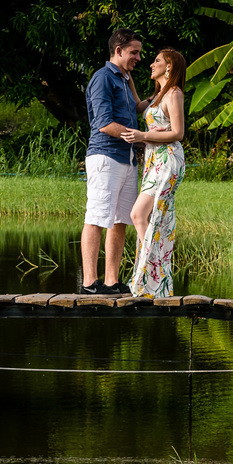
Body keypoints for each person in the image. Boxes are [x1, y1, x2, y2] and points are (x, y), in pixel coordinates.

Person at [81, 28, 147, 295]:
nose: (139, 57)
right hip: (105, 157)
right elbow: (104, 124)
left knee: (120, 220)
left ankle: (111, 281)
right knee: (96, 218)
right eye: (134, 52)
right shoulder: (103, 78)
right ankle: (88, 283)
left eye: (140, 52)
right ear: (118, 50)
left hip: (127, 159)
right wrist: (142, 138)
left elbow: (137, 107)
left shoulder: (124, 78)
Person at [121, 49, 186, 299]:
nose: (151, 64)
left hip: (168, 158)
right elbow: (139, 105)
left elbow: (178, 133)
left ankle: (153, 274)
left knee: (141, 214)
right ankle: (155, 278)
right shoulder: (158, 95)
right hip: (154, 159)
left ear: (169, 67)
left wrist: (142, 136)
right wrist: (128, 76)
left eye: (157, 61)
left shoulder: (174, 94)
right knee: (146, 217)